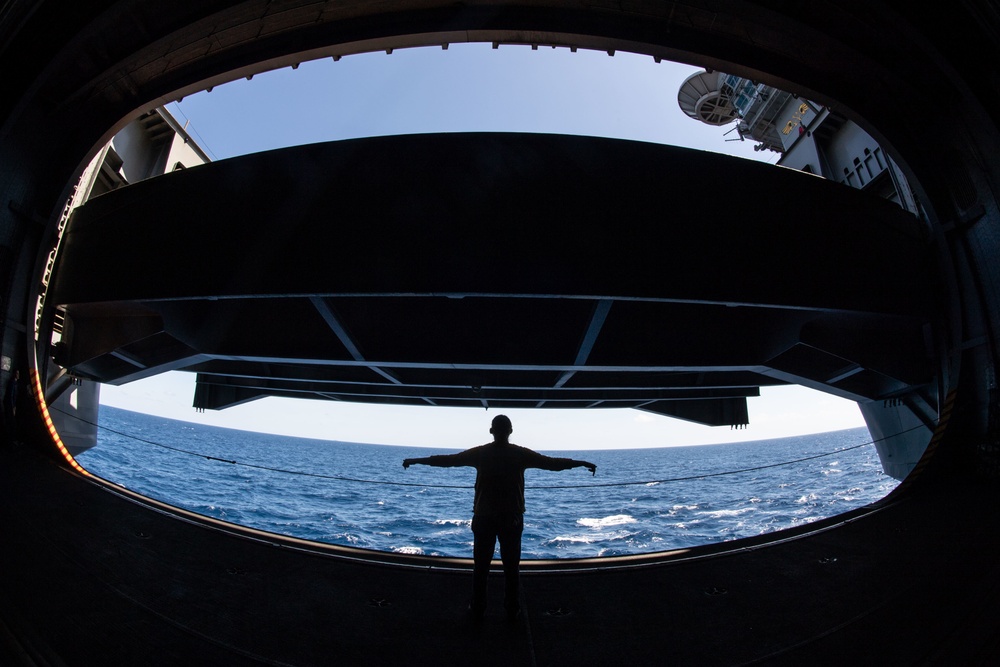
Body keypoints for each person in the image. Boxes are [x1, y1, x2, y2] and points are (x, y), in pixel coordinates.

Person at [402, 414, 597, 622]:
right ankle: (512, 609)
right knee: (511, 568)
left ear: (491, 431)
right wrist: (581, 462)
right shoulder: (520, 454)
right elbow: (553, 464)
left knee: (481, 567)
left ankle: (478, 609)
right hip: (511, 518)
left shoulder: (481, 453)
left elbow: (449, 460)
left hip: (484, 517)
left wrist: (416, 461)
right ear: (510, 431)